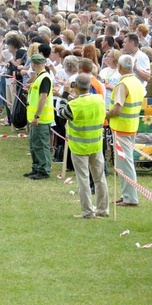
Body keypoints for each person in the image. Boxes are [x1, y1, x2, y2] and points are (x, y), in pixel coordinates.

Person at [58, 73, 109, 218]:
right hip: (96, 144)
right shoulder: (99, 100)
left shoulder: (74, 105)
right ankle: (103, 209)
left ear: (76, 86)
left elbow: (61, 113)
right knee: (99, 178)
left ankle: (87, 211)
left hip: (79, 146)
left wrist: (65, 94)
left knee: (83, 179)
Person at [108, 54, 146, 207]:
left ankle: (130, 197)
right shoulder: (136, 82)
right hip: (131, 126)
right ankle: (127, 195)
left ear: (119, 67)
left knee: (125, 164)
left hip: (122, 127)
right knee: (125, 163)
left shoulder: (122, 85)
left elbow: (117, 108)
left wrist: (106, 113)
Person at [23, 54, 54, 180]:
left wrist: (37, 116)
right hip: (35, 118)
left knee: (41, 145)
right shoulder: (40, 77)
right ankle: (36, 167)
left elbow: (43, 98)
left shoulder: (44, 78)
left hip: (41, 119)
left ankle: (43, 169)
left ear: (33, 64)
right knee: (34, 144)